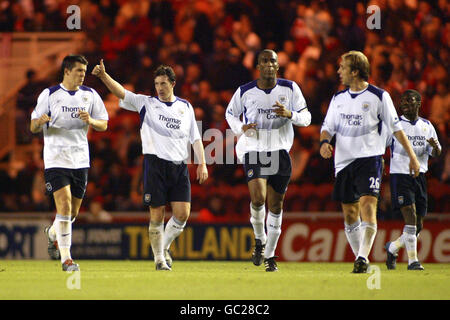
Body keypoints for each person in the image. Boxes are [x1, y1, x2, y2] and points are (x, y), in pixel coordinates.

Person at [92, 60, 208, 271]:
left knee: (182, 214)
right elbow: (122, 93)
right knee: (157, 215)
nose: (160, 88)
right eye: (157, 84)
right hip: (155, 165)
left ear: (173, 83)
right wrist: (103, 76)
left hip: (179, 166)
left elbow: (196, 137)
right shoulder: (146, 103)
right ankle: (159, 260)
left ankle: (163, 248)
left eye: (164, 83)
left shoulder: (186, 107)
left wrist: (202, 163)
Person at [319, 51, 420, 273]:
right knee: (350, 214)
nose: (339, 72)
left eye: (343, 67)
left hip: (370, 158)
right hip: (343, 161)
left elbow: (397, 129)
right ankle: (360, 257)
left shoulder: (379, 96)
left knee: (367, 205)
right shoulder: (338, 99)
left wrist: (412, 157)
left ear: (355, 71)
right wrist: (324, 143)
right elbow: (327, 127)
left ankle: (363, 257)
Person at [226, 49, 312, 272]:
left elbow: (307, 117)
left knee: (276, 205)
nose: (268, 64)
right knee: (258, 198)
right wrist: (240, 128)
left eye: (272, 61)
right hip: (254, 148)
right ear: (258, 66)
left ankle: (271, 255)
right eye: (264, 61)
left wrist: (290, 115)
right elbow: (230, 114)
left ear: (277, 66)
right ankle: (259, 240)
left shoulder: (290, 88)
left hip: (280, 150)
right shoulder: (245, 91)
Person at [30, 54, 109, 271]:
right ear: (66, 71)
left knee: (72, 213)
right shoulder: (50, 94)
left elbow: (103, 123)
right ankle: (67, 259)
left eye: (84, 71)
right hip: (56, 159)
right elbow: (33, 127)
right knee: (63, 205)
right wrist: (40, 122)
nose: (83, 75)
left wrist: (91, 121)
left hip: (80, 159)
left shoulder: (90, 95)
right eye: (79, 71)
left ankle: (52, 233)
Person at [385, 90, 441, 271]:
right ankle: (413, 261)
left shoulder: (427, 125)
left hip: (420, 176)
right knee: (409, 212)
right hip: (400, 174)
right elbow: (381, 144)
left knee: (418, 224)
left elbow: (436, 152)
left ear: (419, 103)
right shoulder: (395, 125)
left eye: (409, 101)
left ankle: (393, 247)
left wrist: (434, 147)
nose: (405, 104)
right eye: (403, 101)